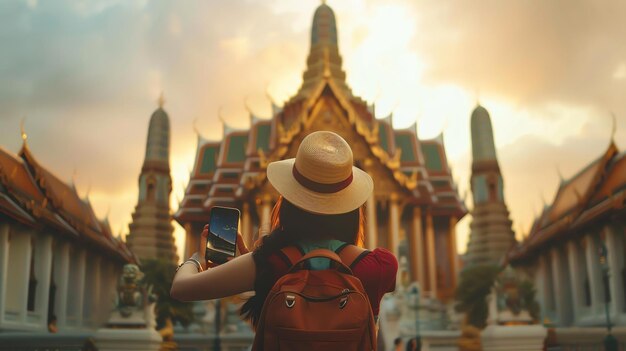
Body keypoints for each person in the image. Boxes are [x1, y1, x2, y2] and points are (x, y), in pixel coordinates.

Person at [171, 131, 398, 333]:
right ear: (351, 208)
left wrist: (198, 259)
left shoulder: (269, 263)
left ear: (289, 203)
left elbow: (181, 289)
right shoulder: (380, 266)